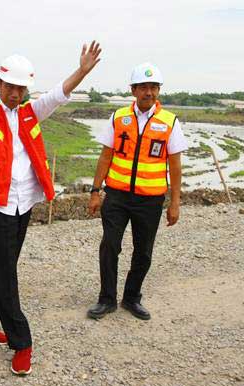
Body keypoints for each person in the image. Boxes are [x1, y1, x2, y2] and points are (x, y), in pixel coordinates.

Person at [0, 28, 101, 375]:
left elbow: (58, 95)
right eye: (9, 87)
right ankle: (21, 342)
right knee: (7, 273)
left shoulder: (29, 113)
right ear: (0, 86)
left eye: (20, 88)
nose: (14, 93)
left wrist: (82, 70)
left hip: (23, 204)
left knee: (2, 266)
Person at [86, 62, 188, 321]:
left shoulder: (169, 122)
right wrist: (95, 191)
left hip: (150, 200)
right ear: (133, 90)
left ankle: (132, 298)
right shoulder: (118, 117)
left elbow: (175, 165)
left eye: (154, 87)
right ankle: (106, 299)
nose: (149, 92)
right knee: (110, 245)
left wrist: (174, 203)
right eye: (144, 87)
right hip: (117, 196)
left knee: (143, 251)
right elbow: (105, 156)